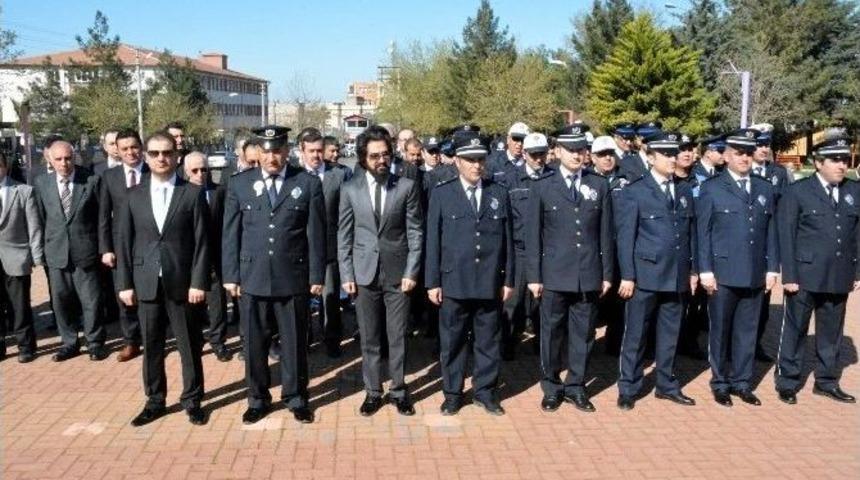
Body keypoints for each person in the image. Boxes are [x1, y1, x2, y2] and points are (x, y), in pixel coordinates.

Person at [222, 125, 325, 425]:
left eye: (277, 150)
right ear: (258, 152)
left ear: (287, 151)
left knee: (294, 344)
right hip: (252, 277)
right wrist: (231, 275)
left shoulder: (306, 183)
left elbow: (315, 234)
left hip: (292, 277)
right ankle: (257, 398)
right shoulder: (240, 184)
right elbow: (231, 234)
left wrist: (316, 275)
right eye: (266, 151)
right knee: (254, 344)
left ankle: (296, 397)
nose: (272, 157)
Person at [117, 131, 209, 427]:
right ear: (145, 156)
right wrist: (125, 284)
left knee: (189, 347)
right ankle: (155, 401)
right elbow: (124, 243)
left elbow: (202, 243)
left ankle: (193, 400)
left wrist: (198, 282)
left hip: (182, 283)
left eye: (166, 153)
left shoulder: (192, 194)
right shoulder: (133, 196)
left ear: (176, 156)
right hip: (145, 282)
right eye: (154, 153)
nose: (161, 158)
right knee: (152, 346)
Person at [425, 127, 514, 416]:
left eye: (481, 159)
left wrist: (509, 278)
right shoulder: (442, 194)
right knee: (452, 341)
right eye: (470, 159)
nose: (477, 165)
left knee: (488, 340)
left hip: (489, 280)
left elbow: (508, 240)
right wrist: (433, 281)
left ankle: (485, 391)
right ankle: (452, 392)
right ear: (458, 161)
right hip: (454, 280)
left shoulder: (498, 193)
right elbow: (433, 242)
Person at [526, 126, 614, 413]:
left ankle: (576, 386)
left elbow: (605, 234)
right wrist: (534, 276)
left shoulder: (598, 185)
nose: (578, 155)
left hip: (588, 274)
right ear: (558, 152)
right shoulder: (542, 186)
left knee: (584, 335)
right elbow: (533, 235)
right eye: (571, 149)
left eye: (581, 149)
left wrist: (606, 274)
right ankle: (551, 386)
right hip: (553, 274)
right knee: (551, 334)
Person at [338, 125, 423, 416]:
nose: (381, 161)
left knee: (397, 336)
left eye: (385, 154)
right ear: (363, 158)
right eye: (374, 156)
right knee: (370, 338)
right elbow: (344, 235)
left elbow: (415, 233)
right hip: (363, 275)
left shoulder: (406, 187)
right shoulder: (350, 189)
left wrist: (412, 272)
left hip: (399, 275)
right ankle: (373, 391)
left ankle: (399, 390)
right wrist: (346, 275)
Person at [615, 132, 698, 410]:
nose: (673, 159)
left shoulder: (685, 190)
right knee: (636, 334)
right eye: (666, 154)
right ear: (650, 158)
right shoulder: (635, 191)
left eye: (675, 154)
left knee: (670, 334)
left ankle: (666, 384)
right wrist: (628, 275)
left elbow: (691, 235)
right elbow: (626, 237)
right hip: (645, 276)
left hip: (676, 276)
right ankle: (629, 386)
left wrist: (693, 270)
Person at [696, 128, 779, 407]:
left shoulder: (764, 187)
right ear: (727, 155)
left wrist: (772, 268)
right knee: (720, 331)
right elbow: (703, 233)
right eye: (738, 153)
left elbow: (771, 231)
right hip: (723, 273)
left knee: (748, 330)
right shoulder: (711, 188)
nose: (744, 158)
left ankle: (742, 382)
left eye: (748, 152)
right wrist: (705, 269)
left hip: (755, 272)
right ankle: (720, 382)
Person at [775, 137, 859, 405]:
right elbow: (786, 236)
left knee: (831, 333)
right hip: (804, 275)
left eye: (844, 160)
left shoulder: (854, 190)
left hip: (838, 274)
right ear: (818, 162)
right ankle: (787, 381)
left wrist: (857, 272)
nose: (841, 165)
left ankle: (826, 381)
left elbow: (857, 234)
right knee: (795, 330)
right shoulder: (798, 191)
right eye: (835, 160)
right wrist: (789, 275)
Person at [34, 140, 108, 361]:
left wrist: (103, 249)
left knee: (91, 301)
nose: (64, 163)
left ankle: (95, 343)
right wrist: (41, 252)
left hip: (86, 251)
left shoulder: (92, 180)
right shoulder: (41, 183)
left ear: (73, 156)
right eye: (59, 159)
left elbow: (101, 219)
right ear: (50, 160)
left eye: (68, 158)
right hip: (56, 253)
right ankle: (69, 343)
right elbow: (40, 218)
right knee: (61, 302)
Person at [498, 132, 555, 360]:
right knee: (513, 302)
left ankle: (543, 348)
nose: (539, 159)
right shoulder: (512, 179)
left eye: (542, 153)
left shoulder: (554, 178)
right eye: (534, 154)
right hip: (520, 250)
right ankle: (507, 345)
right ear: (525, 154)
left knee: (545, 304)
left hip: (548, 250)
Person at [299, 128, 350, 357]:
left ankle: (332, 339)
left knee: (330, 297)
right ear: (302, 151)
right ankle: (305, 338)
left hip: (330, 247)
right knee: (302, 297)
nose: (316, 155)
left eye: (320, 150)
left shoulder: (339, 175)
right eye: (311, 151)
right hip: (300, 248)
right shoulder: (293, 175)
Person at [98, 129, 148, 362]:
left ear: (141, 147)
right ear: (116, 150)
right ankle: (131, 341)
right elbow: (103, 217)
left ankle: (151, 337)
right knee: (124, 294)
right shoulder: (109, 177)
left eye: (134, 147)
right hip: (121, 246)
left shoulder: (153, 172)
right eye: (125, 148)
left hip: (150, 243)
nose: (130, 152)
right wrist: (106, 248)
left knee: (150, 292)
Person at [749, 125, 791, 363]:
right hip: (742, 244)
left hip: (767, 245)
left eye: (767, 144)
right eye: (760, 145)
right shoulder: (734, 171)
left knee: (762, 302)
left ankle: (755, 344)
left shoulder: (778, 173)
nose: (764, 149)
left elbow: (784, 210)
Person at [183, 151, 231, 362]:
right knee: (192, 305)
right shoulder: (180, 194)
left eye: (204, 169)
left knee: (218, 304)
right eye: (195, 170)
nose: (200, 174)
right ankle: (195, 341)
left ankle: (218, 341)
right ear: (186, 172)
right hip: (189, 260)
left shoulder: (219, 192)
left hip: (215, 258)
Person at [0, 151, 44, 363]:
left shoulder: (24, 191)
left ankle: (26, 346)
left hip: (16, 256)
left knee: (20, 305)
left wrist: (36, 257)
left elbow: (34, 227)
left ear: (5, 167)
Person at [589, 135, 628, 356]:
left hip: (619, 249)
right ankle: (588, 344)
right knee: (593, 300)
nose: (607, 158)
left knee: (618, 302)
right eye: (602, 155)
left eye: (610, 154)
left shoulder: (626, 180)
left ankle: (614, 345)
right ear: (592, 157)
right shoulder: (586, 181)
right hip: (594, 250)